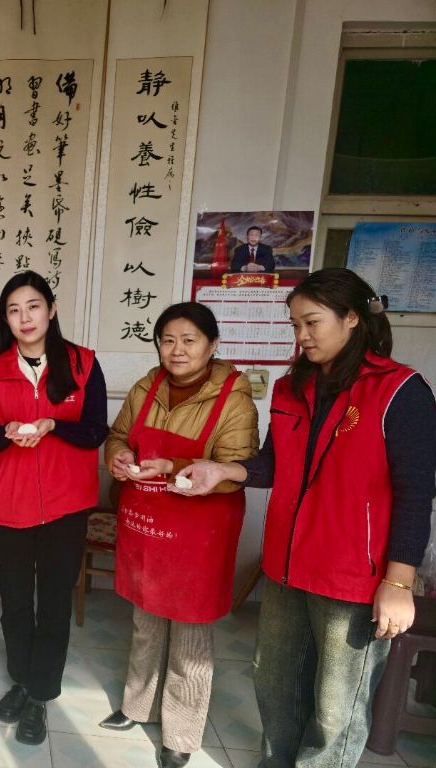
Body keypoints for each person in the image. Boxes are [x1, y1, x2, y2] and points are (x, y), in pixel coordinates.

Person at [175, 268, 436, 768]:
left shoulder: (399, 391)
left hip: (353, 577)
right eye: (295, 325)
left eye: (312, 323)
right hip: (287, 566)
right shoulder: (292, 388)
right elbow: (273, 463)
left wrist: (399, 583)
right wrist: (222, 470)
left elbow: (416, 492)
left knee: (336, 706)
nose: (302, 336)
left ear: (351, 318)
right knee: (273, 680)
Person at [98, 302, 259, 768]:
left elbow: (238, 467)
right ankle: (137, 707)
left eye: (189, 340)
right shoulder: (146, 386)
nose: (177, 350)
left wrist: (175, 466)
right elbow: (118, 435)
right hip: (149, 522)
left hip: (199, 531)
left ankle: (181, 734)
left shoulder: (233, 397)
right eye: (168, 340)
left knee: (190, 634)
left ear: (212, 344)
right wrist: (118, 457)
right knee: (146, 619)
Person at [0, 270, 108, 745]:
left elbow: (95, 430)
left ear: (51, 310)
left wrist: (54, 424)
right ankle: (21, 678)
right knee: (15, 601)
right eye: (13, 310)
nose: (24, 318)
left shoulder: (83, 363)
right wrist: (8, 432)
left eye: (33, 306)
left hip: (65, 504)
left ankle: (41, 692)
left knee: (54, 601)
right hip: (9, 503)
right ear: (5, 319)